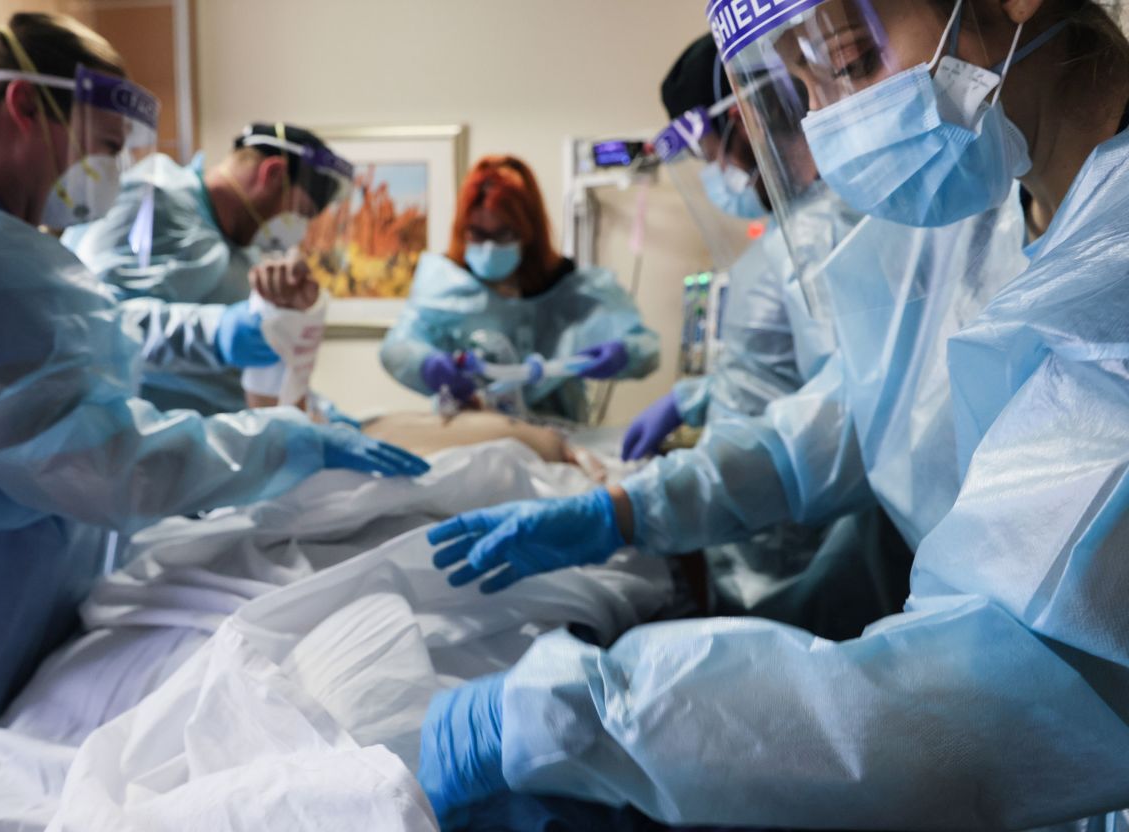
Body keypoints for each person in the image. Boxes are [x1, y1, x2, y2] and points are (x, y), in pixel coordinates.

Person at [418, 0, 1129, 828]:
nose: (828, 117)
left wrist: (594, 718)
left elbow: (1009, 674)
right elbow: (833, 429)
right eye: (801, 86)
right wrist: (629, 509)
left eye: (850, 59)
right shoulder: (977, 220)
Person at [0, 15, 426, 829]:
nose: (118, 170)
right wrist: (285, 438)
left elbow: (68, 387)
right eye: (109, 142)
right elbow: (102, 459)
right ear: (26, 106)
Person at [622, 34, 910, 635]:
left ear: (745, 119)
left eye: (712, 153)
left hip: (812, 558)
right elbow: (786, 375)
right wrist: (696, 397)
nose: (717, 173)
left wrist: (641, 507)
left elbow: (850, 410)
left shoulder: (825, 237)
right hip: (773, 536)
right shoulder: (799, 234)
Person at [64, 122, 351, 414]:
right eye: (300, 214)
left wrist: (318, 410)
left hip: (219, 440)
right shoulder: (152, 202)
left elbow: (241, 375)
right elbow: (100, 322)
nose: (298, 233)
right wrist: (217, 333)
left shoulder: (245, 248)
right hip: (140, 436)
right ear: (274, 174)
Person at [380, 155, 660, 423]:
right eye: (478, 233)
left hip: (557, 437)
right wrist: (426, 364)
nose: (489, 247)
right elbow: (398, 347)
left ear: (528, 232)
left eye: (503, 234)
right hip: (471, 432)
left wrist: (625, 353)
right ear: (463, 229)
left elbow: (645, 347)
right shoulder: (446, 285)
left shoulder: (568, 288)